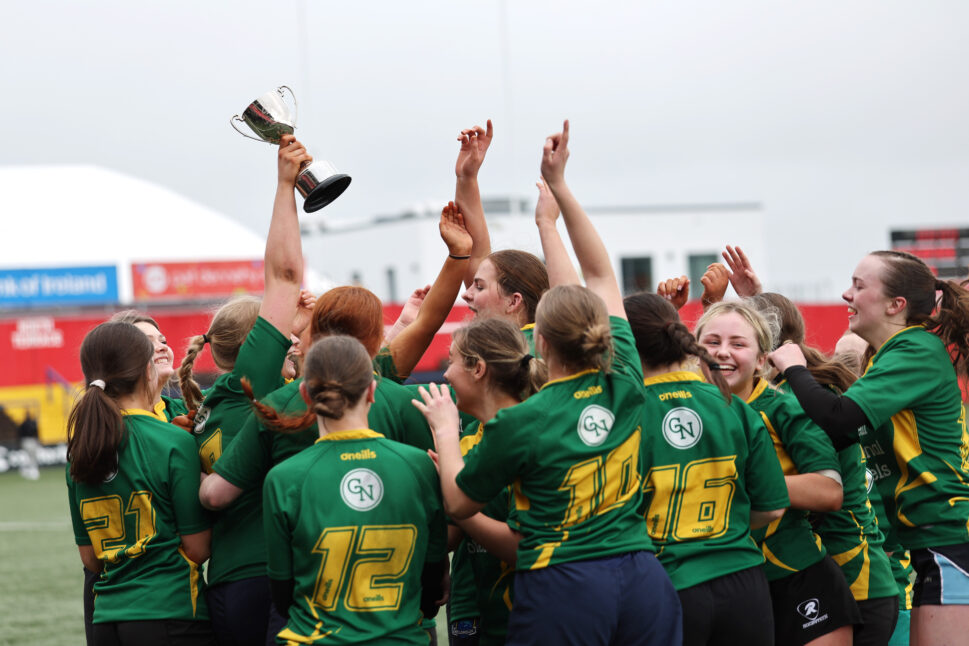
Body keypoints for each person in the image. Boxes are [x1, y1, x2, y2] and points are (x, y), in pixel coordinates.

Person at [414, 121, 681, 645]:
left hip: (566, 580)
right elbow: (599, 279)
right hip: (643, 575)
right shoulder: (624, 377)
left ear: (537, 340)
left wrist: (446, 436)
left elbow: (460, 505)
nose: (472, 297)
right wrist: (556, 196)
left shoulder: (519, 418)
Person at [769, 250, 969, 644]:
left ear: (896, 305)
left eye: (859, 286)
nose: (846, 294)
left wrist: (793, 365)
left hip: (952, 540)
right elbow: (840, 432)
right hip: (932, 543)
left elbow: (838, 418)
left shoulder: (916, 351)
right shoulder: (888, 355)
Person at [175, 134, 313, 646]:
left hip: (228, 584)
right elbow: (283, 274)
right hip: (267, 576)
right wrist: (285, 185)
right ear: (257, 344)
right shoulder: (246, 385)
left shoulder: (206, 407)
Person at [257, 335, 446, 645]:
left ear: (305, 394)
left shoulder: (283, 478)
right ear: (372, 391)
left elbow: (282, 594)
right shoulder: (419, 465)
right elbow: (433, 582)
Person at [623, 292, 788, 646]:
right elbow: (773, 506)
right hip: (744, 584)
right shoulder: (736, 406)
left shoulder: (626, 415)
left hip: (666, 583)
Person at [696, 301, 860, 646]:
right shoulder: (682, 412)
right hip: (721, 583)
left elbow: (829, 492)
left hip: (798, 577)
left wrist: (741, 484)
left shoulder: (784, 407)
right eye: (711, 342)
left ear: (760, 360)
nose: (723, 352)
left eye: (738, 344)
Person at [749, 291, 900, 645]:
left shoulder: (794, 398)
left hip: (854, 579)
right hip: (847, 574)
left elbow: (827, 493)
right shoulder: (803, 387)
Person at [66, 321, 213, 646]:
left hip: (105, 618)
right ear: (148, 371)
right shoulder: (173, 441)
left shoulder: (80, 451)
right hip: (170, 612)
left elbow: (90, 558)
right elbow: (198, 548)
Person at [436, 316, 548, 645]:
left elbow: (521, 546)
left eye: (452, 361)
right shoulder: (481, 436)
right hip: (487, 613)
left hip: (535, 614)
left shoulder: (526, 434)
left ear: (479, 369)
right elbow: (451, 535)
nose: (445, 373)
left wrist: (452, 478)